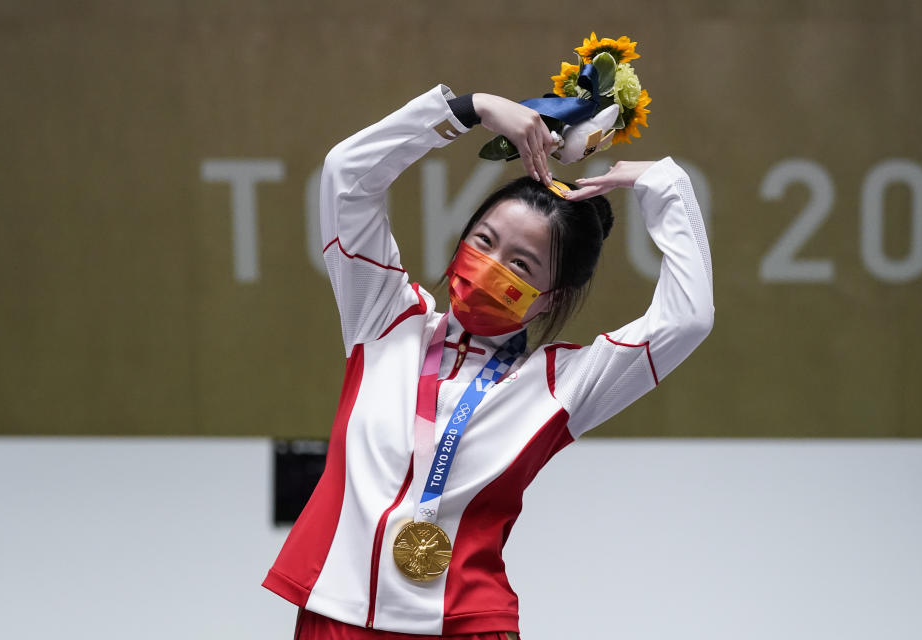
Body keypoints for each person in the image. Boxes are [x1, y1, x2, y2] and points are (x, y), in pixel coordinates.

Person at [263, 85, 714, 640]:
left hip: (467, 626)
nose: (489, 266)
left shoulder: (560, 385)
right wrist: (469, 110)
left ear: (550, 297)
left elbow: (687, 319)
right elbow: (347, 176)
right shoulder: (385, 317)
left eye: (521, 264)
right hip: (335, 614)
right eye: (483, 240)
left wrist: (661, 185)